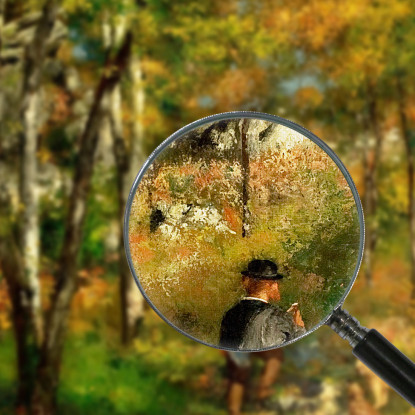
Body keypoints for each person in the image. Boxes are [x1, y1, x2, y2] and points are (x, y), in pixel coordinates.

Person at [220, 259, 306, 350]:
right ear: (273, 285)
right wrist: (299, 328)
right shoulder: (277, 317)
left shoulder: (230, 314)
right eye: (276, 283)